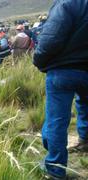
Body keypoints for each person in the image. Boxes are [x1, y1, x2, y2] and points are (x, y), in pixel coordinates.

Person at [33, 0, 88, 179]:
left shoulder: (67, 4)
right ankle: (85, 141)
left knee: (56, 119)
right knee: (85, 107)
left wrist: (40, 61)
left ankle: (55, 169)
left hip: (62, 71)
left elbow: (51, 38)